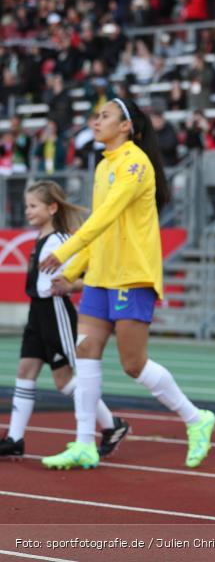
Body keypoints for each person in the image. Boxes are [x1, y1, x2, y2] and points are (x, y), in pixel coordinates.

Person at [38, 98, 215, 470]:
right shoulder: (105, 165)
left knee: (133, 364)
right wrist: (73, 273)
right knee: (85, 352)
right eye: (96, 114)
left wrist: (68, 250)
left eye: (104, 115)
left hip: (131, 276)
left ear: (126, 126)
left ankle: (196, 418)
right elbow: (105, 230)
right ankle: (85, 443)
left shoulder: (135, 162)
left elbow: (105, 217)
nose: (95, 120)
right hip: (101, 279)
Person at [0, 182, 128, 458]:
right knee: (25, 371)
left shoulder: (61, 242)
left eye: (33, 206)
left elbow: (92, 276)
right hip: (38, 312)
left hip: (55, 311)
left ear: (52, 207)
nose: (28, 211)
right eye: (27, 206)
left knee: (70, 378)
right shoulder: (41, 239)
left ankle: (111, 424)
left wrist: (72, 285)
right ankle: (14, 438)